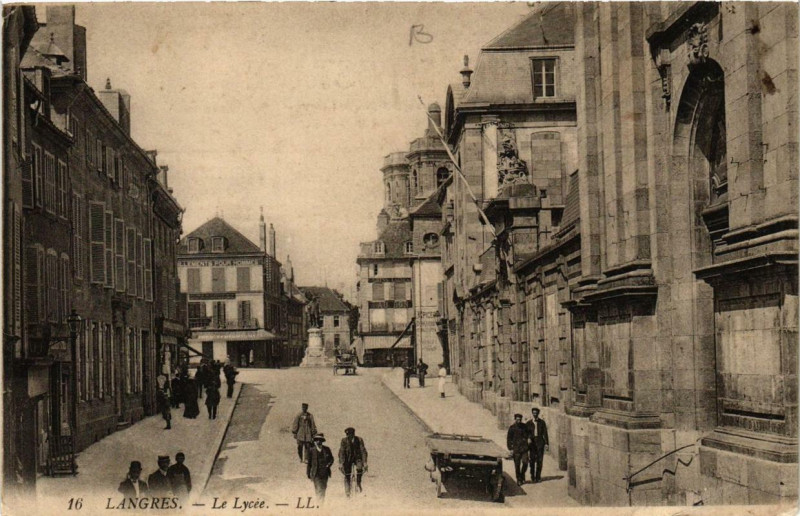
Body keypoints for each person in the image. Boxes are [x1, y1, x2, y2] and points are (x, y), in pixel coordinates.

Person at [338, 427, 368, 497]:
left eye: (351, 434)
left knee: (359, 469)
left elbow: (363, 451)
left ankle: (358, 483)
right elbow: (341, 452)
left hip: (357, 458)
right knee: (347, 474)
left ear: (353, 434)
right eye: (348, 434)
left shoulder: (359, 440)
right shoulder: (344, 440)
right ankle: (347, 492)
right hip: (348, 459)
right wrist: (341, 463)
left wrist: (365, 462)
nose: (349, 436)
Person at [306, 433, 334, 505]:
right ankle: (319, 504)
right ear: (315, 441)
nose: (318, 441)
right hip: (316, 473)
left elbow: (331, 459)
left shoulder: (326, 449)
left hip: (325, 473)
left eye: (320, 440)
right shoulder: (312, 450)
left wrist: (328, 465)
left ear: (322, 441)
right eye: (317, 440)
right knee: (318, 489)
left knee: (323, 489)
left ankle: (321, 504)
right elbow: (309, 463)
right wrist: (308, 473)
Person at [526, 407, 549, 483]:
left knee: (540, 460)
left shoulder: (542, 422)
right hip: (532, 443)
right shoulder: (528, 423)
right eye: (534, 413)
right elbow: (526, 433)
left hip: (540, 442)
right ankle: (532, 476)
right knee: (532, 460)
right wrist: (528, 438)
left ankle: (538, 477)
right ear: (532, 413)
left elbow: (545, 433)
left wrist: (546, 443)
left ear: (538, 413)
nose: (535, 414)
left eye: (536, 413)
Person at [506, 413, 530, 485]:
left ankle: (522, 474)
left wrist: (529, 438)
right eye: (517, 419)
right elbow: (509, 439)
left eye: (520, 419)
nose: (518, 420)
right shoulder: (512, 428)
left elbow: (529, 434)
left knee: (525, 462)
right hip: (516, 449)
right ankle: (519, 479)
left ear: (521, 419)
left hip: (524, 448)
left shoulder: (524, 426)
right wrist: (510, 448)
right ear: (515, 419)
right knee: (517, 465)